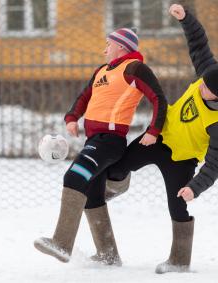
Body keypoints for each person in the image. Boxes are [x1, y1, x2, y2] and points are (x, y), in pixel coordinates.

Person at [106, 4, 218, 273]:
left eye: (206, 89)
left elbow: (216, 162)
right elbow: (199, 46)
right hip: (158, 137)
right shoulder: (208, 75)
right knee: (118, 167)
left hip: (182, 159)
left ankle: (179, 260)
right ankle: (109, 191)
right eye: (202, 82)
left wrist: (195, 187)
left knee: (177, 204)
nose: (200, 86)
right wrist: (186, 19)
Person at [34, 27, 168, 265]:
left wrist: (153, 131)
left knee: (74, 177)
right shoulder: (101, 71)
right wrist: (72, 117)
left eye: (108, 44)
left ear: (121, 47)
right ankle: (108, 255)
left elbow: (158, 97)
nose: (104, 49)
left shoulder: (135, 68)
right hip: (95, 140)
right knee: (93, 197)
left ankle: (62, 243)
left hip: (110, 141)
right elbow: (85, 96)